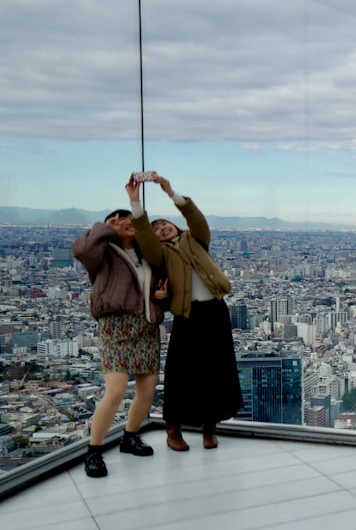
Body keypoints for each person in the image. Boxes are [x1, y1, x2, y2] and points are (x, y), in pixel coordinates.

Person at [131, 174, 242, 450]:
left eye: (165, 224)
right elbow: (144, 238)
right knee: (181, 372)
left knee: (216, 370)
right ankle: (173, 430)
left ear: (176, 226)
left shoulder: (196, 240)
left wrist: (170, 192)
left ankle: (209, 427)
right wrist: (135, 202)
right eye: (156, 229)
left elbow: (197, 220)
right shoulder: (159, 255)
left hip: (215, 311)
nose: (161, 228)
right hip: (187, 315)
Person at [72, 195, 168, 478]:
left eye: (128, 218)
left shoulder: (148, 254)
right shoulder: (102, 256)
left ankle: (130, 436)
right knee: (115, 390)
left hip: (146, 325)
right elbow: (81, 249)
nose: (124, 222)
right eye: (117, 220)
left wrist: (162, 298)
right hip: (115, 325)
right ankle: (93, 450)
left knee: (147, 389)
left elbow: (160, 285)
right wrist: (106, 227)